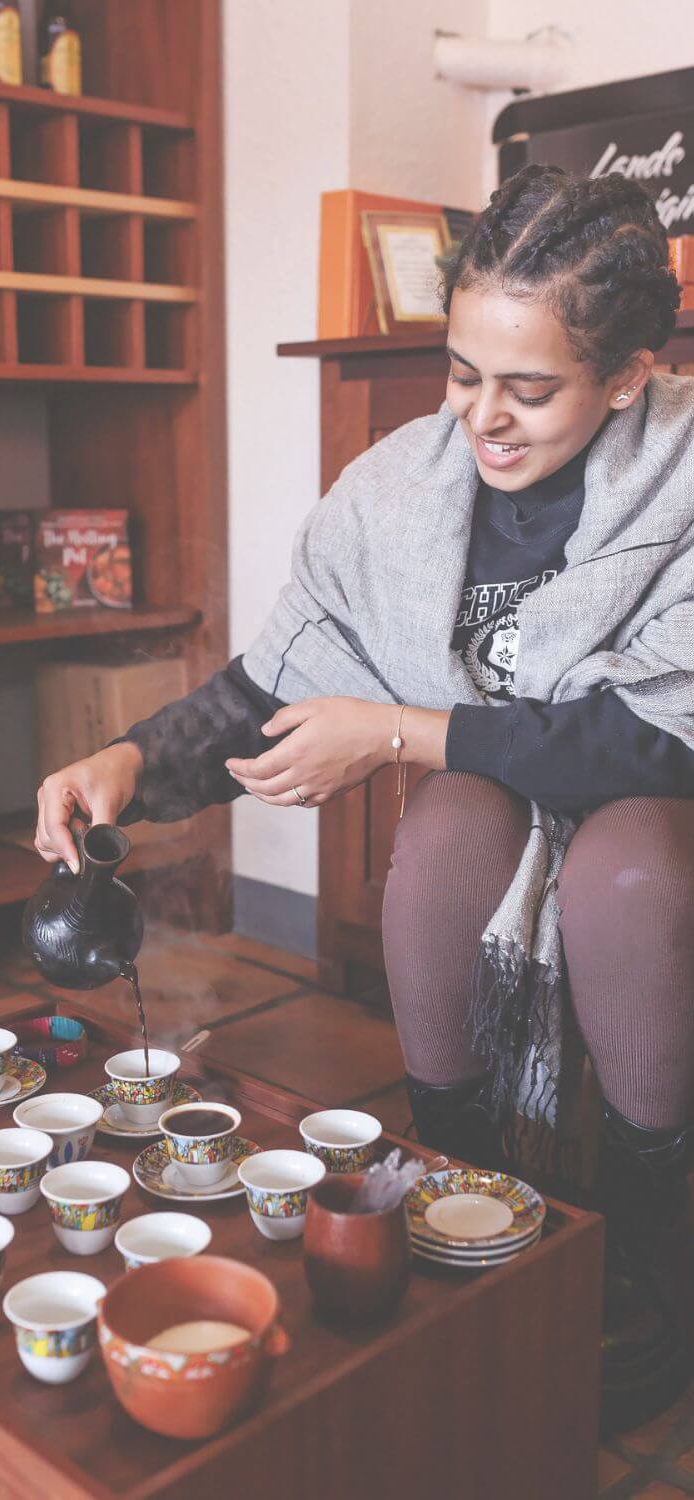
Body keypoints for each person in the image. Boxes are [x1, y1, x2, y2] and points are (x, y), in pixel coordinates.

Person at [34, 164, 692, 1429]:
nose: (482, 422)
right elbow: (277, 679)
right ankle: (467, 1184)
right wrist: (130, 761)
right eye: (460, 373)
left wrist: (398, 730)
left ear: (626, 377)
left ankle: (647, 1237)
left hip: (657, 819)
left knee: (627, 867)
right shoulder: (396, 491)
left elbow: (661, 743)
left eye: (530, 388)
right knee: (447, 822)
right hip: (496, 802)